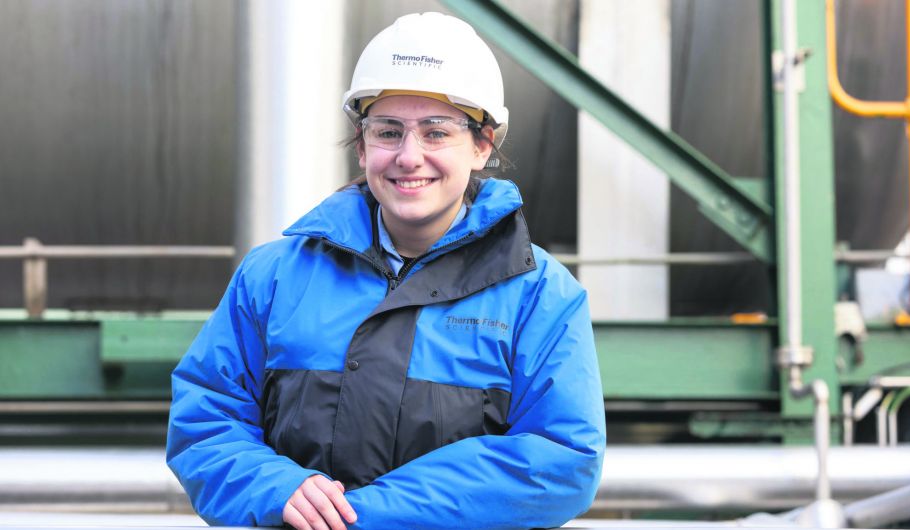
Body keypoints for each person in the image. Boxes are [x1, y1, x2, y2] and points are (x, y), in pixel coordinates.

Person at [167, 12, 605, 530]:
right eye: (388, 131)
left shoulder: (540, 295)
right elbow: (205, 419)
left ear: (482, 145)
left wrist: (359, 515)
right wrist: (274, 486)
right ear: (362, 144)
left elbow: (562, 461)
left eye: (436, 132)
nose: (408, 156)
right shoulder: (272, 277)